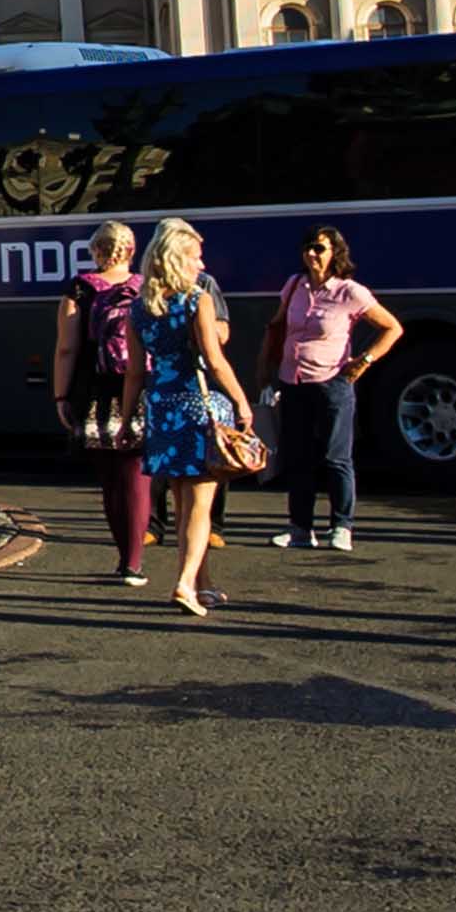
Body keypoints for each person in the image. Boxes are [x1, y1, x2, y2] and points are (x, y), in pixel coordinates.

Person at [133, 217, 253, 619]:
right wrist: (241, 401)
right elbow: (215, 363)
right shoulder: (195, 300)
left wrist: (133, 411)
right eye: (195, 258)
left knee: (183, 501)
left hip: (160, 406)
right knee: (201, 505)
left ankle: (202, 582)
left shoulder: (140, 306)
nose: (201, 266)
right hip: (195, 405)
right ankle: (185, 584)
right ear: (177, 260)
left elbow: (136, 371)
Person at [263, 226, 400, 553]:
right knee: (297, 458)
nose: (312, 254)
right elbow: (277, 327)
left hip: (332, 383)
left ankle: (341, 526)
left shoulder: (350, 292)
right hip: (293, 381)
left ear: (334, 253)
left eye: (319, 249)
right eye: (308, 247)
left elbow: (392, 328)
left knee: (335, 457)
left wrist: (364, 360)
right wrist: (265, 372)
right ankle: (300, 528)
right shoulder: (294, 286)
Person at [49, 223, 155, 579]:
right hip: (141, 388)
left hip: (97, 391)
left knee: (110, 478)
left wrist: (61, 395)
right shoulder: (146, 287)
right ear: (130, 250)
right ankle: (134, 562)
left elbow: (67, 348)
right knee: (136, 473)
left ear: (96, 250)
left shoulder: (80, 290)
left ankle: (123, 554)